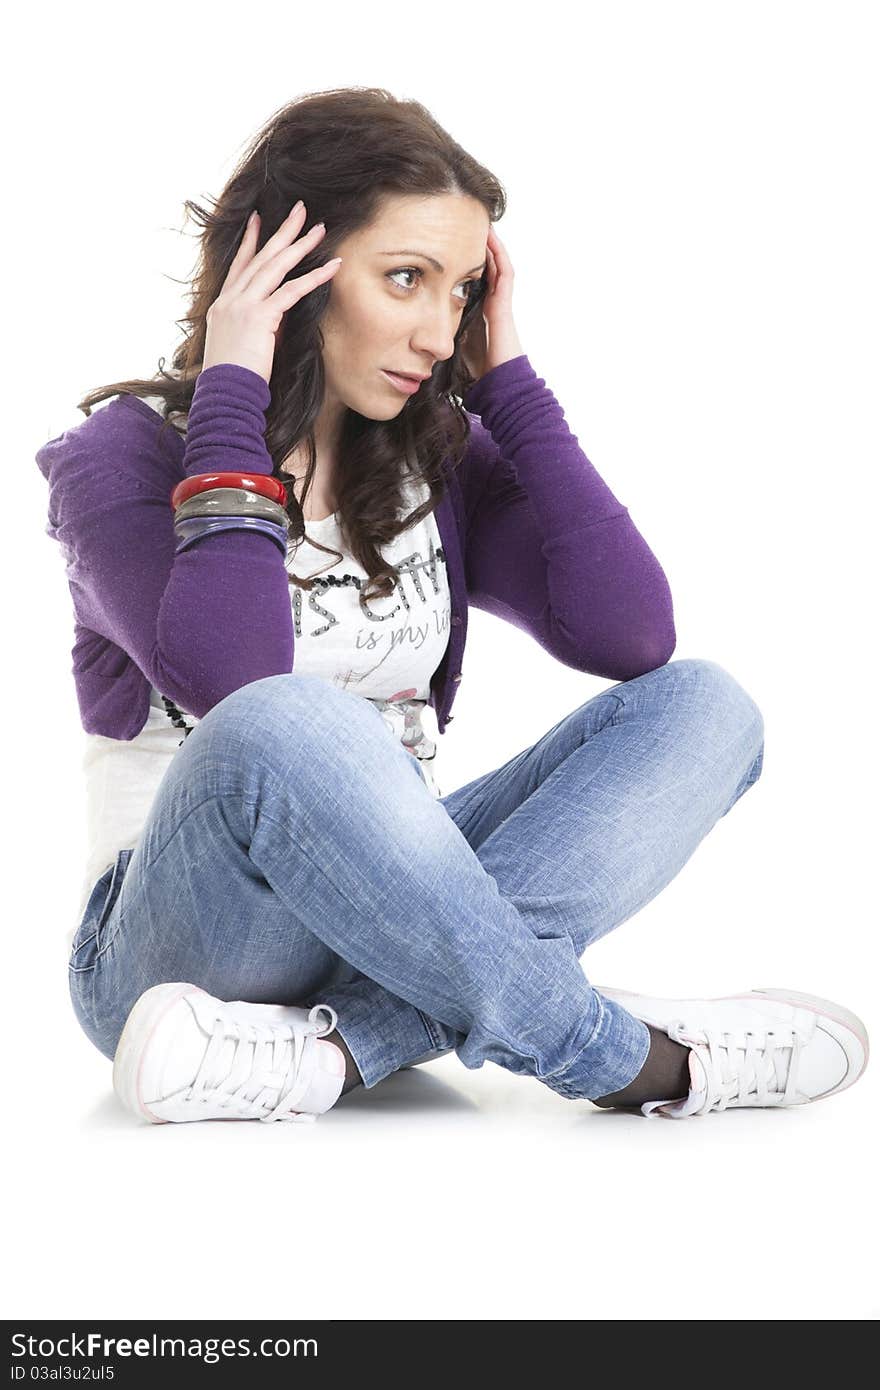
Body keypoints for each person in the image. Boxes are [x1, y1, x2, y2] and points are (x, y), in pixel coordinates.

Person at [37, 87, 868, 1127]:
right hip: (177, 954)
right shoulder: (119, 457)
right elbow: (236, 680)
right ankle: (632, 1060)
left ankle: (337, 1051)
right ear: (288, 275)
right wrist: (235, 384)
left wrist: (509, 383)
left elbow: (628, 634)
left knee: (706, 707)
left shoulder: (433, 461)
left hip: (393, 918)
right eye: (405, 280)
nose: (438, 329)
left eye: (461, 290)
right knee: (294, 714)